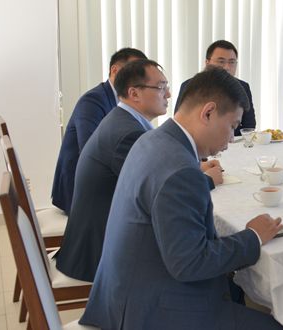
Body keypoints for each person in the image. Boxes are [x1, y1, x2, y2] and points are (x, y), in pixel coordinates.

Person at [80, 68, 283, 329]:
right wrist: (253, 236)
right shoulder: (181, 173)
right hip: (151, 313)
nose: (231, 138)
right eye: (232, 126)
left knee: (241, 293)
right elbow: (190, 263)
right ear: (208, 113)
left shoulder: (151, 139)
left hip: (123, 295)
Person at [56, 60, 224, 282]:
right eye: (161, 87)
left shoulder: (123, 120)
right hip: (99, 253)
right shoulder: (128, 135)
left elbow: (155, 173)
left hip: (97, 235)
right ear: (134, 93)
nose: (169, 94)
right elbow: (162, 194)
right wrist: (206, 180)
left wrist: (197, 167)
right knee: (191, 255)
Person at [51, 47, 147, 214]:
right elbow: (90, 149)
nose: (139, 81)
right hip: (78, 191)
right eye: (134, 72)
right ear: (115, 70)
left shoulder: (127, 102)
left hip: (103, 182)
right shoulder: (92, 101)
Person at [174, 40, 256, 136]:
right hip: (199, 140)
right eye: (221, 61)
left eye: (232, 62)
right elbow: (180, 122)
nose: (227, 67)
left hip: (233, 141)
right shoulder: (189, 85)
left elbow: (249, 126)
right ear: (207, 63)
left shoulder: (243, 87)